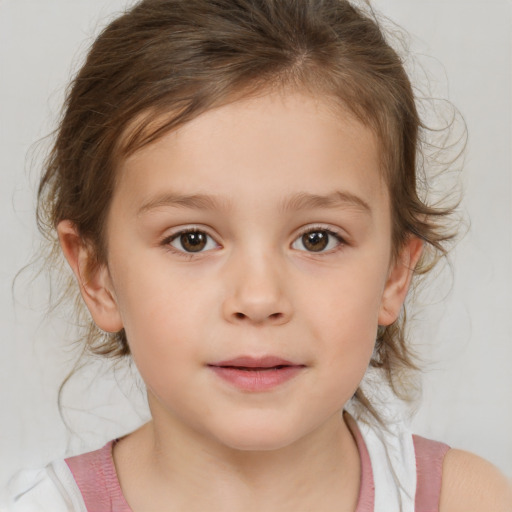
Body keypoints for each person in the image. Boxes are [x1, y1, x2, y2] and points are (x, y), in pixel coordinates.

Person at [4, 0, 511, 511]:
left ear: (394, 275)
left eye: (318, 238)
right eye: (192, 239)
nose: (259, 298)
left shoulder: (465, 500)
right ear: (97, 275)